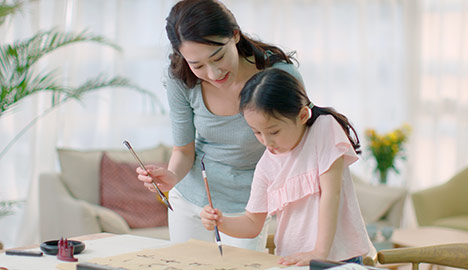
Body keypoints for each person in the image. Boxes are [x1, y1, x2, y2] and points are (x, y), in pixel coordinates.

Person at [136, 0, 303, 252]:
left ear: (234, 35)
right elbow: (183, 150)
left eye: (218, 57)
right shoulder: (181, 79)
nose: (213, 73)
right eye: (198, 64)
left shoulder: (278, 75)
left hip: (248, 208)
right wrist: (171, 177)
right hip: (191, 200)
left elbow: (298, 146)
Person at [200, 68, 374, 266]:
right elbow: (252, 223)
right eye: (256, 132)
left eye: (273, 131)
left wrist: (319, 252)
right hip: (294, 261)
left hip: (338, 258)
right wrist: (221, 222)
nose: (266, 142)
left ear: (302, 116)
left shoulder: (324, 128)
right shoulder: (266, 165)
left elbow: (330, 194)